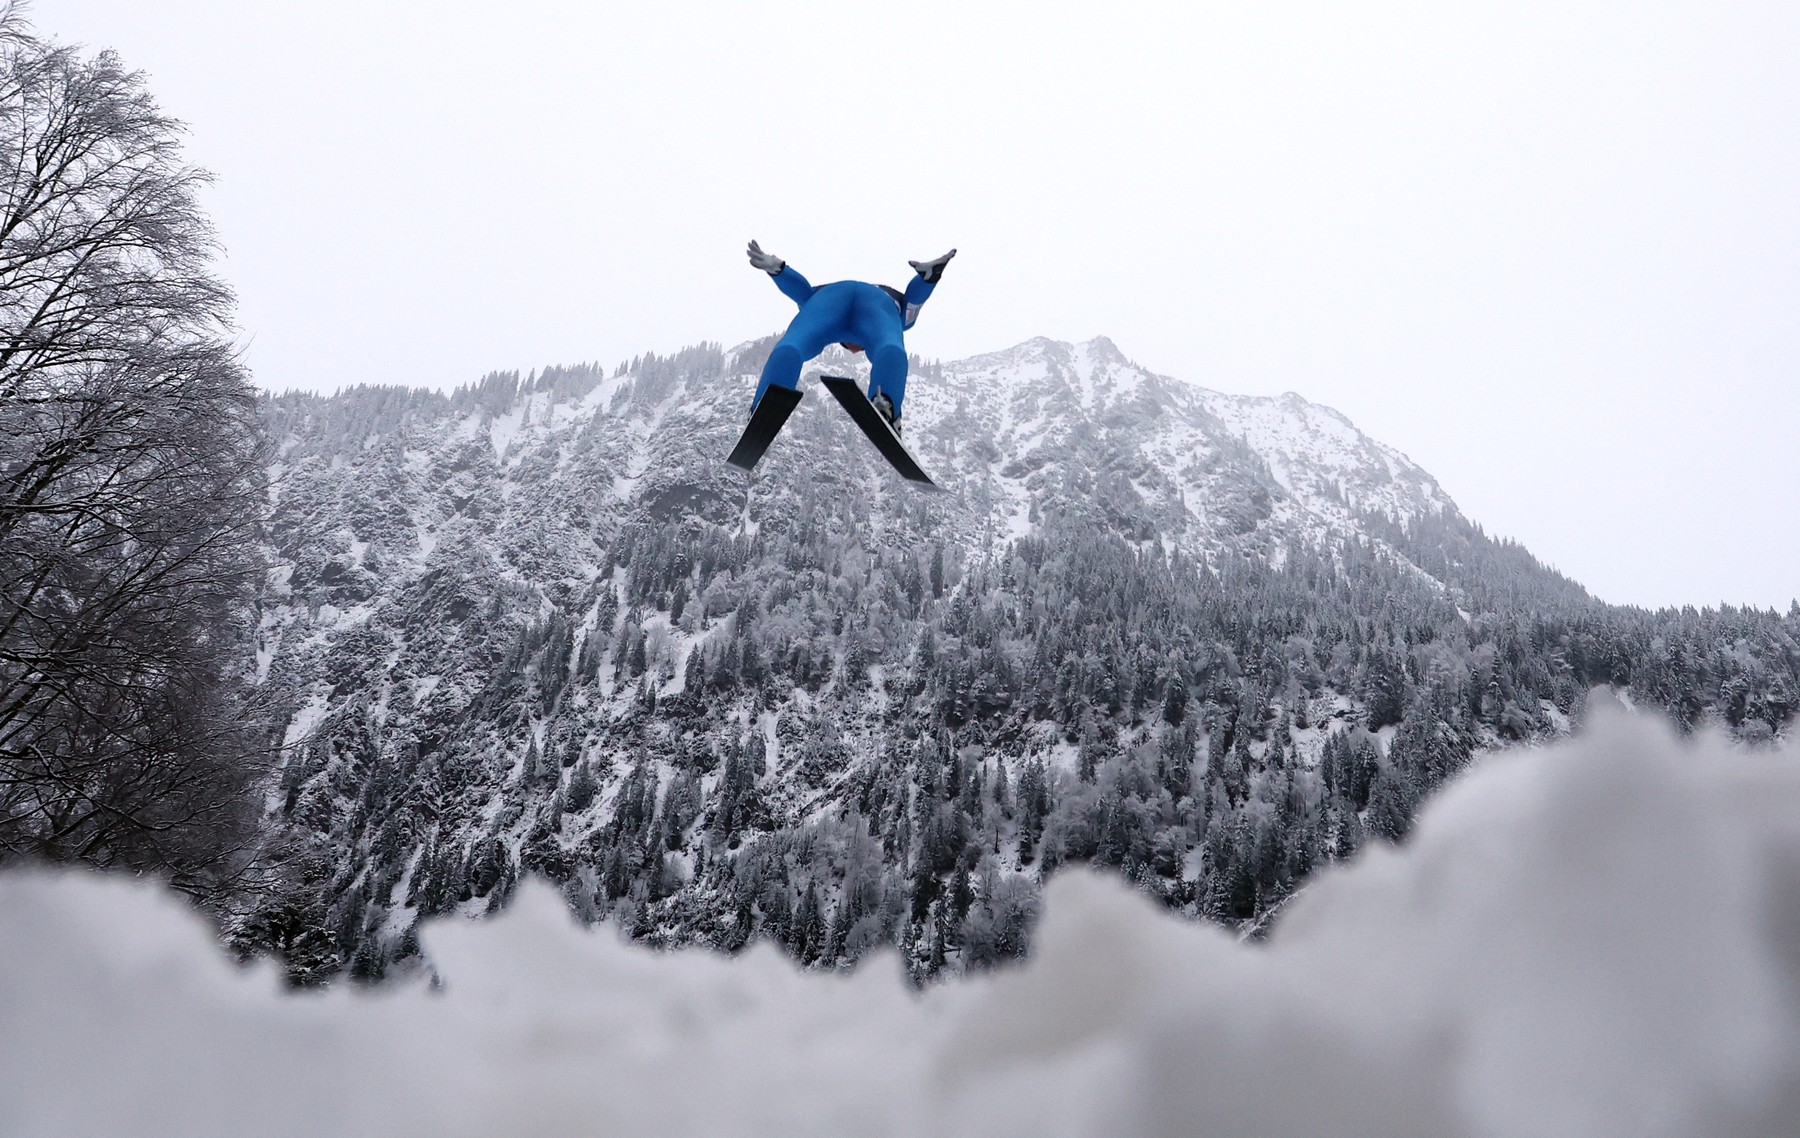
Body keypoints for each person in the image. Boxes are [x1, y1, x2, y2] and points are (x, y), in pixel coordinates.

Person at [745, 240, 954, 437]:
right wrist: (928, 278)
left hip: (829, 296)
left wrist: (780, 271)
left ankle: (768, 396)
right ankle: (886, 404)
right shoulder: (895, 318)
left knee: (794, 344)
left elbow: (803, 293)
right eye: (860, 348)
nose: (856, 349)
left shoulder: (826, 313)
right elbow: (913, 300)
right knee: (889, 346)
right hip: (879, 300)